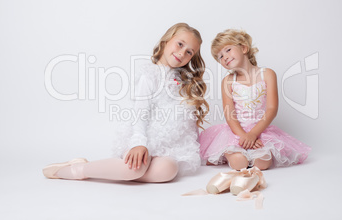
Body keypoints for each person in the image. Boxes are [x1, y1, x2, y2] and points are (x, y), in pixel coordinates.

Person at [43, 23, 209, 183]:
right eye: (180, 44)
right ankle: (78, 169)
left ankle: (120, 172)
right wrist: (138, 143)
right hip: (144, 138)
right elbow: (140, 114)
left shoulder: (182, 81)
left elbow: (185, 120)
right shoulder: (149, 75)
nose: (182, 53)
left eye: (189, 52)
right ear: (166, 41)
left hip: (168, 147)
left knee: (168, 170)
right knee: (135, 168)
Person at [199, 29, 311, 171]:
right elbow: (229, 114)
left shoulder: (267, 74)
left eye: (228, 50)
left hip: (259, 130)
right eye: (220, 56)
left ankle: (251, 152)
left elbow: (271, 109)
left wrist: (253, 134)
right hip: (236, 132)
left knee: (262, 164)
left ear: (244, 48)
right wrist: (243, 136)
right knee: (239, 163)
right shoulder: (228, 81)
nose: (224, 57)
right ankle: (230, 153)